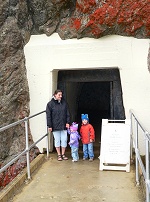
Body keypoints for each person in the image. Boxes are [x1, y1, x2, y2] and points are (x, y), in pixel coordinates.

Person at [46, 89, 70, 161]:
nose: (60, 96)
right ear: (55, 95)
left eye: (61, 95)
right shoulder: (50, 104)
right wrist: (49, 125)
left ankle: (63, 154)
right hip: (55, 125)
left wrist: (68, 122)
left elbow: (67, 113)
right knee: (57, 140)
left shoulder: (64, 103)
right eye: (59, 95)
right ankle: (59, 155)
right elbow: (48, 116)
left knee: (64, 140)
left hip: (63, 125)